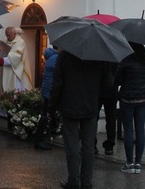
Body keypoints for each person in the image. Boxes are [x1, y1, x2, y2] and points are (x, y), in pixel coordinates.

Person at [51, 50, 112, 189]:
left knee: (72, 145)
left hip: (69, 105)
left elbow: (57, 82)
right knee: (88, 146)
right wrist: (97, 99)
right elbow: (107, 83)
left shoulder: (65, 55)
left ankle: (73, 180)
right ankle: (86, 181)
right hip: (90, 106)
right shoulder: (99, 56)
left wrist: (53, 105)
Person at [116, 42, 145, 174]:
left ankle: (129, 163)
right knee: (140, 130)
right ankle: (138, 163)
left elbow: (117, 81)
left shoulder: (125, 61)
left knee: (128, 130)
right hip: (143, 99)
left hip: (127, 99)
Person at [34, 45, 59, 151]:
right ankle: (39, 139)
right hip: (51, 91)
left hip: (47, 90)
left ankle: (41, 138)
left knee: (47, 114)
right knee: (46, 115)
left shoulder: (51, 56)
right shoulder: (56, 58)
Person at [0, 26, 33, 92]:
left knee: (15, 90)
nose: (7, 38)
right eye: (6, 36)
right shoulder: (4, 41)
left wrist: (4, 53)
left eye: (9, 36)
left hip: (16, 71)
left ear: (14, 34)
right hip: (6, 70)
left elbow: (17, 57)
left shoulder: (20, 42)